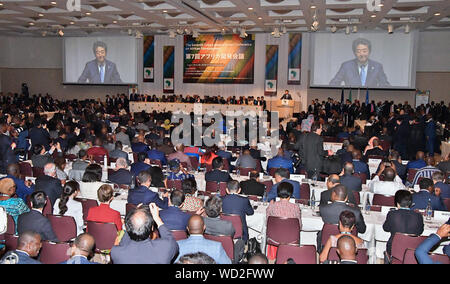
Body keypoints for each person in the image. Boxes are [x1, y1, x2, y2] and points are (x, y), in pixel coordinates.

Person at [110, 204, 178, 264]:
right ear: (152, 228)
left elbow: (123, 241)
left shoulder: (116, 252)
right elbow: (170, 239)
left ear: (127, 227)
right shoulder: (165, 248)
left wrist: (134, 214)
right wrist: (157, 219)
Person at [382, 190, 424, 257]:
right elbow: (420, 231)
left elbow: (385, 228)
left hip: (394, 249)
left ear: (397, 204)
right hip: (413, 250)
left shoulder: (392, 214)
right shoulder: (418, 216)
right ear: (411, 203)